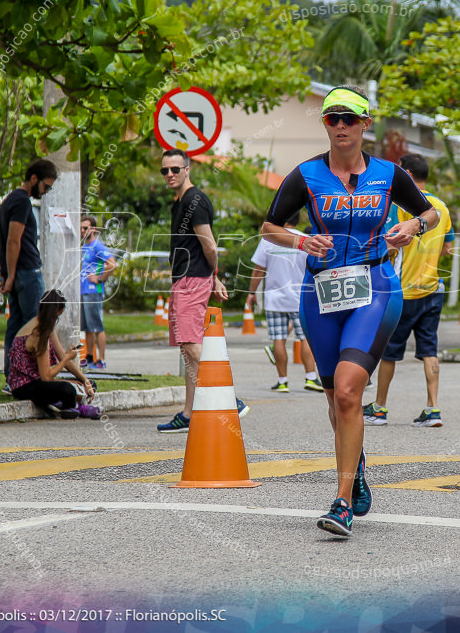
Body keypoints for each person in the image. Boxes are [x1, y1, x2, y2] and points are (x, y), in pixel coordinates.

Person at [260, 85, 439, 537]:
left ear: (365, 124)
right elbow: (269, 226)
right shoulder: (305, 175)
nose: (340, 126)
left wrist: (413, 226)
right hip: (320, 292)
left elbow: (431, 214)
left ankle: (341, 503)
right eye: (332, 118)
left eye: (349, 118)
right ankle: (355, 467)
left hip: (376, 286)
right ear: (325, 124)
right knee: (336, 400)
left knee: (346, 392)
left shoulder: (389, 173)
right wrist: (301, 240)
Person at [156, 148, 243, 433]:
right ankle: (189, 412)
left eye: (175, 170)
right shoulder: (179, 201)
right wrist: (214, 278)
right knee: (186, 345)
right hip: (186, 278)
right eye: (165, 170)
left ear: (187, 170)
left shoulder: (195, 200)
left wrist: (211, 275)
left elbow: (210, 245)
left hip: (192, 279)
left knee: (192, 344)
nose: (170, 174)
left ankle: (230, 399)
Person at [364, 153, 453, 427]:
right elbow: (448, 248)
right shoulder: (441, 208)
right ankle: (433, 409)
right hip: (432, 289)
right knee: (430, 350)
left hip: (402, 291)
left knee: (390, 352)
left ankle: (380, 409)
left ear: (409, 175)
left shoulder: (400, 206)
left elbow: (388, 243)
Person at [246, 212, 323, 393]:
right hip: (300, 298)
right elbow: (315, 268)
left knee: (278, 339)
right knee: (304, 337)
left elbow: (258, 270)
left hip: (274, 300)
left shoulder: (269, 240)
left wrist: (251, 292)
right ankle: (311, 378)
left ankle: (282, 381)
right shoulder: (306, 239)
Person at [0, 159, 57, 391]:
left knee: (15, 328)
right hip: (27, 273)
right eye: (46, 186)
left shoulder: (10, 199)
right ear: (34, 179)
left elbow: (5, 241)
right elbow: (13, 240)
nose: (46, 192)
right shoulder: (22, 202)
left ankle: (12, 379)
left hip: (17, 274)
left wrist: (6, 273)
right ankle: (30, 378)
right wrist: (10, 275)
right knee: (35, 326)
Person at [8, 289, 99, 419]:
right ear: (60, 311)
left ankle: (60, 404)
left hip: (36, 381)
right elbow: (46, 376)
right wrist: (67, 358)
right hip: (24, 387)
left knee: (91, 383)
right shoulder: (39, 333)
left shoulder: (45, 325)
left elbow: (62, 356)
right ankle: (73, 407)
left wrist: (85, 380)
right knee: (68, 389)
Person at [80, 216, 117, 370]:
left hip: (93, 291)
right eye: (81, 228)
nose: (83, 231)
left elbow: (112, 264)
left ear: (93, 229)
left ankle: (101, 360)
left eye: (85, 228)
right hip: (83, 291)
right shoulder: (84, 247)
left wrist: (100, 278)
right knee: (88, 327)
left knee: (97, 327)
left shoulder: (97, 246)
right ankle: (89, 357)